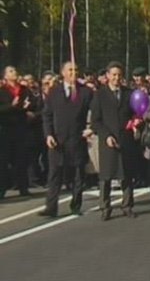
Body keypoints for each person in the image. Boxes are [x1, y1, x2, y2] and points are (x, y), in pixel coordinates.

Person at [38, 62, 93, 217]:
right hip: (58, 140)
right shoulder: (54, 92)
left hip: (77, 138)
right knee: (54, 175)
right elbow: (47, 115)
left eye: (76, 70)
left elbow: (96, 111)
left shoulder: (86, 92)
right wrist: (48, 134)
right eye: (70, 70)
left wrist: (92, 128)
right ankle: (51, 206)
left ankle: (76, 205)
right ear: (63, 72)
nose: (73, 73)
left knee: (77, 175)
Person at [90, 61, 140, 221]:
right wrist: (106, 136)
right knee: (106, 175)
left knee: (127, 174)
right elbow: (96, 121)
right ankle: (105, 206)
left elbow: (137, 113)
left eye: (119, 75)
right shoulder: (100, 94)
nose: (116, 78)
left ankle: (127, 205)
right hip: (108, 140)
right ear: (107, 76)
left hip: (126, 138)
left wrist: (136, 121)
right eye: (113, 75)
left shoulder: (129, 93)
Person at [0, 66, 34, 198]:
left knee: (21, 159)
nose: (14, 72)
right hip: (6, 129)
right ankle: (2, 189)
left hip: (21, 127)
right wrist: (11, 106)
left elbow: (32, 103)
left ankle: (23, 187)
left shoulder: (24, 89)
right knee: (4, 160)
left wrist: (27, 107)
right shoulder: (2, 91)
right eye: (11, 71)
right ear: (5, 76)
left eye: (15, 70)